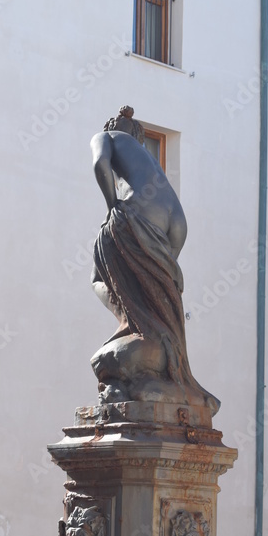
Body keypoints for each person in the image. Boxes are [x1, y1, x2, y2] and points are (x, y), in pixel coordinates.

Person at [89, 106, 219, 415]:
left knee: (98, 278)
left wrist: (112, 207)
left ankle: (131, 322)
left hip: (135, 214)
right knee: (155, 293)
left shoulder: (107, 136)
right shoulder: (148, 159)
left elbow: (99, 163)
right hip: (174, 222)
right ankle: (153, 340)